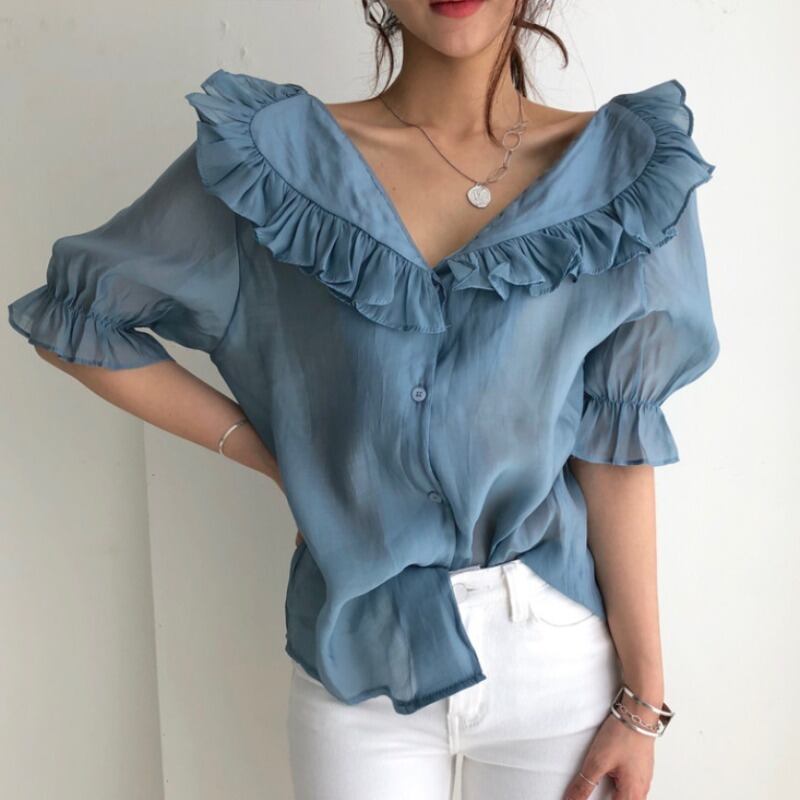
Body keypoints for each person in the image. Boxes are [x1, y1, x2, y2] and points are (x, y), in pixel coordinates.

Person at [7, 1, 720, 798]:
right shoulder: (274, 165)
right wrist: (274, 458)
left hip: (554, 656)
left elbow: (616, 444)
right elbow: (76, 322)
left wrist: (643, 703)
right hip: (358, 659)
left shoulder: (623, 176)